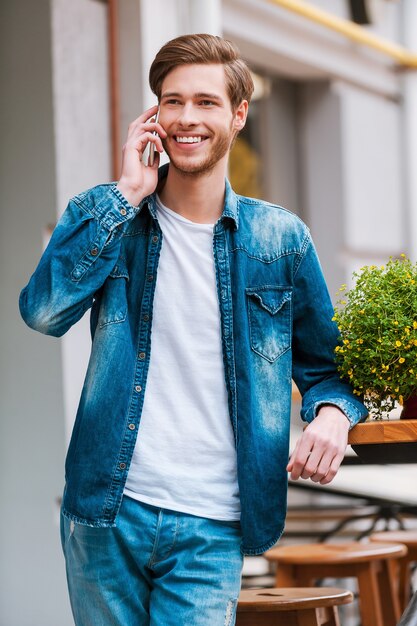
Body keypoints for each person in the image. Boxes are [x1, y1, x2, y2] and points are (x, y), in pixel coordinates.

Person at [19, 33, 367, 626]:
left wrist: (334, 413)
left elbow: (327, 370)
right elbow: (44, 312)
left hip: (213, 522)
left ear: (238, 115)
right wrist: (127, 194)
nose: (187, 118)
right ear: (153, 115)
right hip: (106, 512)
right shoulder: (107, 216)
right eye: (172, 101)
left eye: (206, 102)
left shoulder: (279, 240)